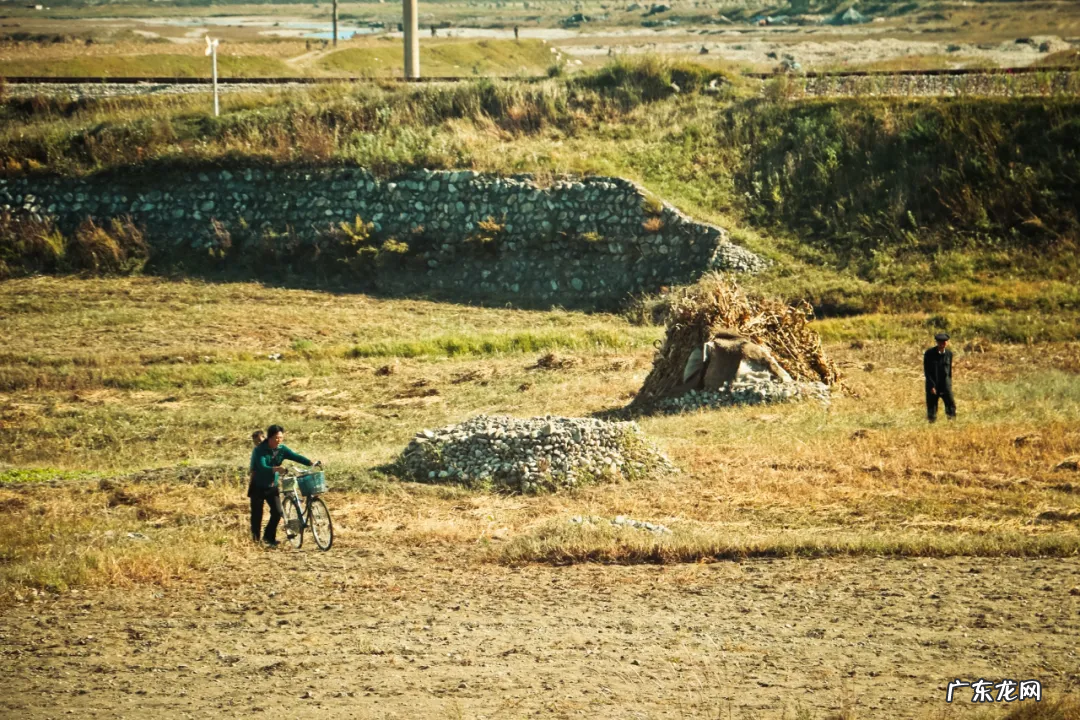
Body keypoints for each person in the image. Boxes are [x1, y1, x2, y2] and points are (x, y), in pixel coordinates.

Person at [248, 424, 318, 546]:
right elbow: (262, 467)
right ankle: (255, 541)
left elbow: (295, 456)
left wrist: (309, 462)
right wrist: (276, 469)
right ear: (269, 438)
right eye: (276, 438)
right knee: (257, 514)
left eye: (281, 438)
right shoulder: (259, 450)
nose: (278, 440)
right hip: (257, 486)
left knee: (277, 512)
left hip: (272, 486)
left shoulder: (282, 449)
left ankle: (269, 537)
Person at [923, 332, 956, 423]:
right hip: (933, 383)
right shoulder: (929, 354)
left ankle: (951, 421)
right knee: (932, 405)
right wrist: (931, 386)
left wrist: (949, 383)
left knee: (950, 403)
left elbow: (949, 370)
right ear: (937, 342)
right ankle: (931, 422)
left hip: (945, 383)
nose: (942, 344)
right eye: (940, 342)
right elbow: (927, 371)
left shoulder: (949, 354)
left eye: (944, 342)